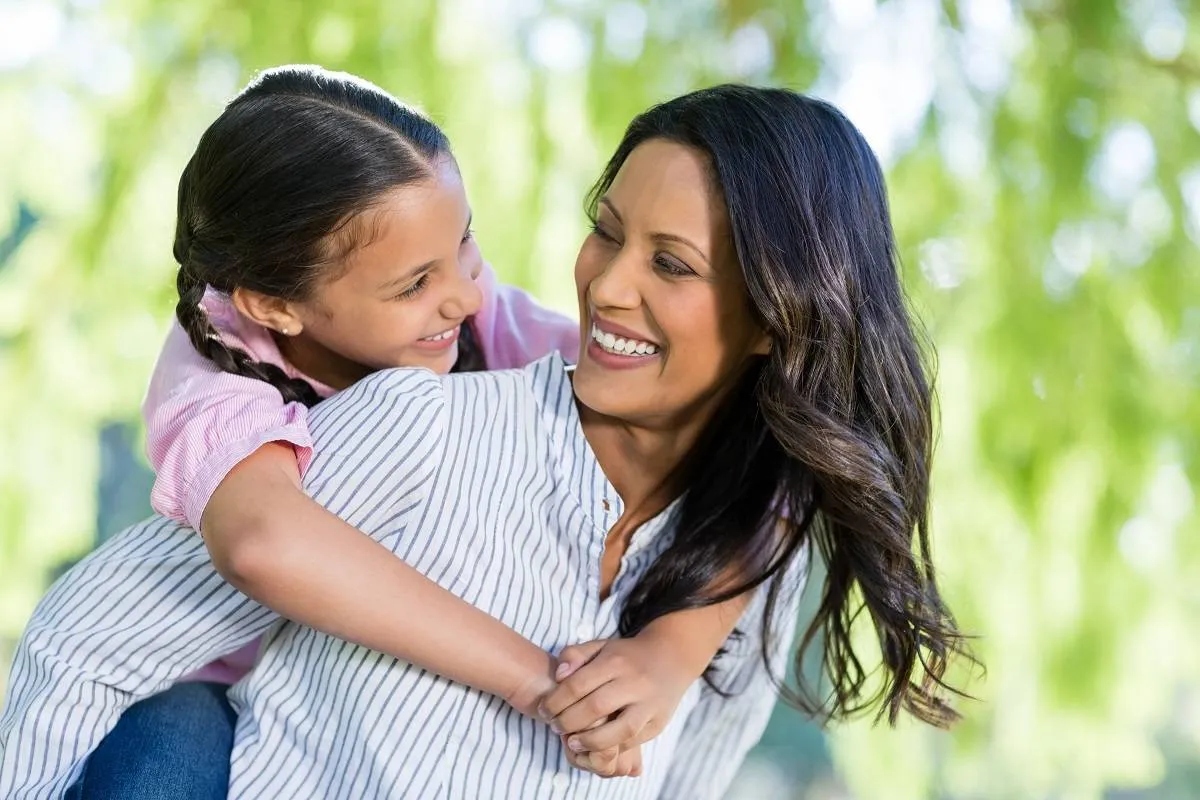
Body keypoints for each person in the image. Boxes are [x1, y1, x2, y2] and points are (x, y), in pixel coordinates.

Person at [0, 84, 969, 799]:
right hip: (193, 707)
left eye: (670, 261)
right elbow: (198, 575)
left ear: (781, 316)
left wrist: (674, 650)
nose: (605, 286)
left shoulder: (747, 552)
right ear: (278, 306)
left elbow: (775, 470)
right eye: (607, 231)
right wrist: (539, 677)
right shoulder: (356, 408)